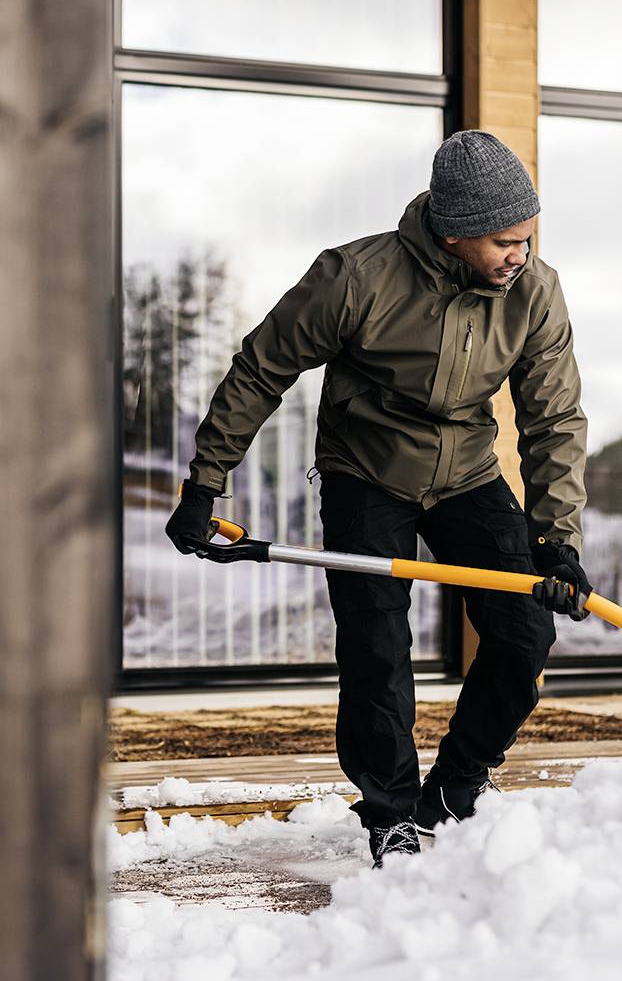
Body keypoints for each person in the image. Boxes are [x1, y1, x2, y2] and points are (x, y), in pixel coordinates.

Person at [164, 131, 590, 868]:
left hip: (466, 472)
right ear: (454, 230)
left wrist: (557, 539)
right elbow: (262, 370)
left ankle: (455, 788)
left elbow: (555, 416)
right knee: (376, 650)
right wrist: (206, 482)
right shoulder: (354, 278)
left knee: (524, 635)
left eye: (527, 237)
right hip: (366, 471)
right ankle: (390, 811)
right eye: (503, 241)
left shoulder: (533, 291)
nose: (520, 254)